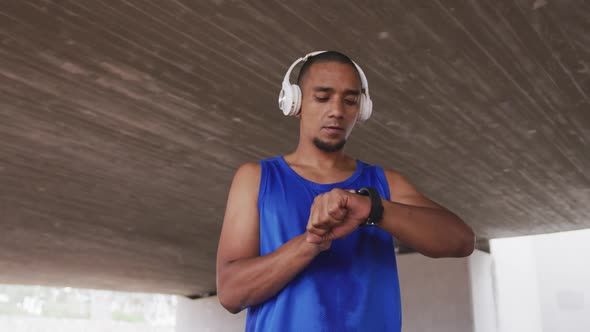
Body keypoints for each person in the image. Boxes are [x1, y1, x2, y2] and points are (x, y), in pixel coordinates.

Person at [216, 51, 475, 331]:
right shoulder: (256, 178)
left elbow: (461, 241)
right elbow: (231, 293)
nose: (337, 111)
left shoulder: (384, 183)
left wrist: (371, 208)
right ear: (295, 102)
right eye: (323, 97)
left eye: (350, 101)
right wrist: (310, 243)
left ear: (361, 109)